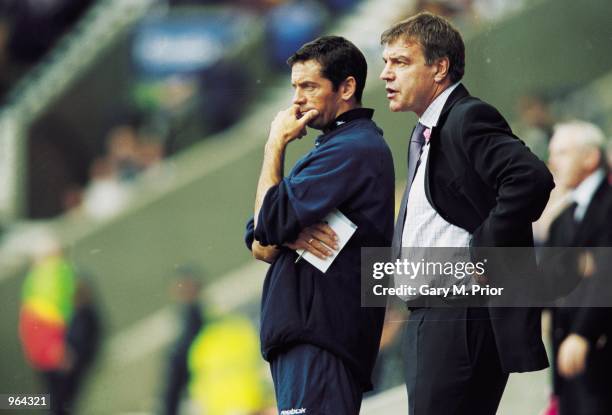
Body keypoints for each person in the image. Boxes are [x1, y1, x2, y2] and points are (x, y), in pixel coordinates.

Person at [379, 12, 554, 414]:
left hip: (457, 313)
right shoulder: (426, 130)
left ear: (439, 67)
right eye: (385, 63)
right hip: (434, 316)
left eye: (400, 62)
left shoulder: (465, 117)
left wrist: (483, 249)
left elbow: (530, 177)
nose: (387, 74)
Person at [245, 35, 395, 414]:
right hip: (306, 341)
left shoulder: (354, 147)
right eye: (295, 87)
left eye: (309, 86)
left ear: (347, 88)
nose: (297, 99)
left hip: (322, 339)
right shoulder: (331, 147)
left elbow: (267, 222)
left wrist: (273, 145)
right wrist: (281, 231)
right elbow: (259, 241)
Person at [544, 121, 612, 415]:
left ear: (590, 157)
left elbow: (607, 274)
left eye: (561, 153)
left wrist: (584, 332)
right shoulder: (561, 222)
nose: (552, 162)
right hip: (571, 368)